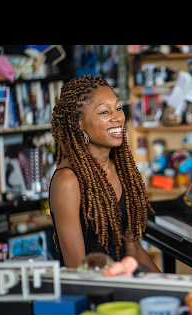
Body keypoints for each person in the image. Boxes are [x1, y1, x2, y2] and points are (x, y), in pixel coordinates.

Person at [49, 75, 159, 271]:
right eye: (104, 112)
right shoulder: (67, 181)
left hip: (123, 282)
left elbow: (133, 249)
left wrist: (168, 285)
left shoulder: (122, 170)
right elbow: (78, 270)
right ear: (79, 124)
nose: (117, 118)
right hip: (96, 291)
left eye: (118, 108)